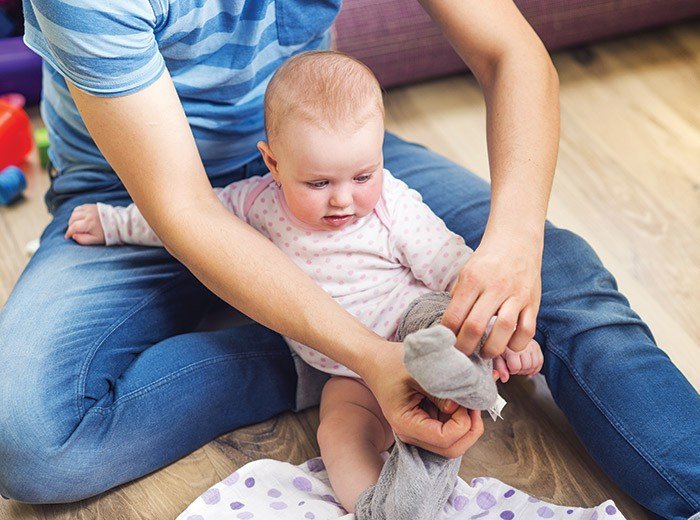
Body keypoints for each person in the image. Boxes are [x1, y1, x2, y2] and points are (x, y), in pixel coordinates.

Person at [0, 0, 697, 517]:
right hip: (142, 188)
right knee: (28, 439)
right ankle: (307, 357)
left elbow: (510, 53)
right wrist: (364, 355)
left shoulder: (364, 189)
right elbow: (183, 210)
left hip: (327, 158)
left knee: (562, 270)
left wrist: (514, 246)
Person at [64, 50, 544, 514]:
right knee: (337, 431)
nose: (343, 200)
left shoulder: (392, 205)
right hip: (341, 371)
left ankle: (461, 376)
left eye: (363, 174)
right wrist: (112, 223)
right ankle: (378, 507)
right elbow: (179, 218)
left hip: (414, 332)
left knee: (440, 323)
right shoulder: (255, 203)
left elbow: (451, 265)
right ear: (273, 163)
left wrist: (503, 333)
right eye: (319, 184)